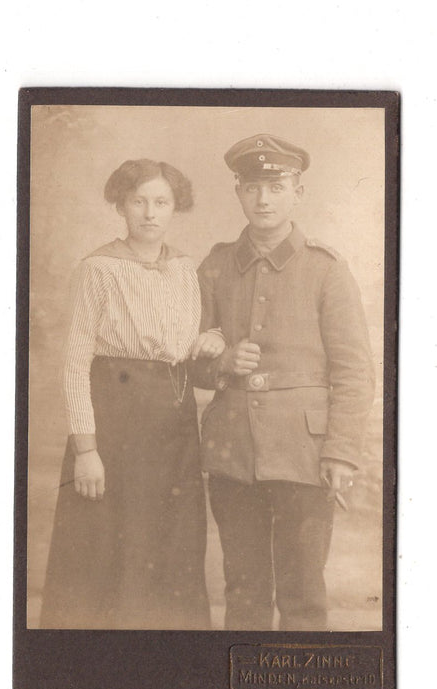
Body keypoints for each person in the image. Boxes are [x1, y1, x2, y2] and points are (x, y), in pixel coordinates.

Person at [192, 134, 375, 631]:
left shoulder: (326, 270)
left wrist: (339, 452)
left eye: (276, 186)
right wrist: (223, 363)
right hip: (234, 452)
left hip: (305, 454)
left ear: (299, 191)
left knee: (303, 593)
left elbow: (355, 372)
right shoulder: (214, 266)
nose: (264, 199)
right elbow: (190, 361)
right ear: (238, 191)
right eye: (252, 187)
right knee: (244, 589)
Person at [40, 158, 224, 630]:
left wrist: (213, 340)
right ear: (120, 205)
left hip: (174, 427)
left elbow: (191, 344)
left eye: (161, 202)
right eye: (138, 201)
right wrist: (86, 450)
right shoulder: (98, 268)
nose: (150, 213)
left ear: (174, 207)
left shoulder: (186, 269)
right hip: (113, 425)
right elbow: (75, 362)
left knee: (171, 547)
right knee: (109, 554)